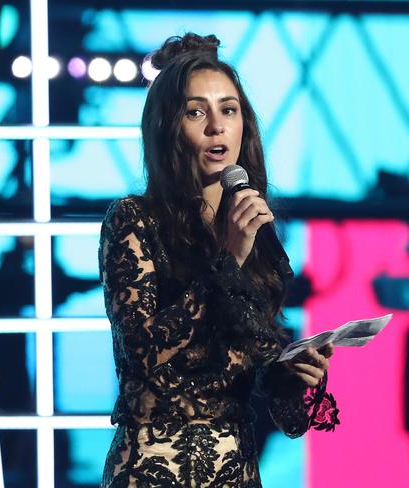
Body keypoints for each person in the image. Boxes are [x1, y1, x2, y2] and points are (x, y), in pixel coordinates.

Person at [98, 33, 340, 488]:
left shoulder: (252, 224)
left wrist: (292, 373)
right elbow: (144, 354)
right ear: (168, 127)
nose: (216, 126)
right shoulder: (134, 220)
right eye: (196, 112)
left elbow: (273, 392)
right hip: (155, 467)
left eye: (228, 110)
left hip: (235, 469)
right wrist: (229, 256)